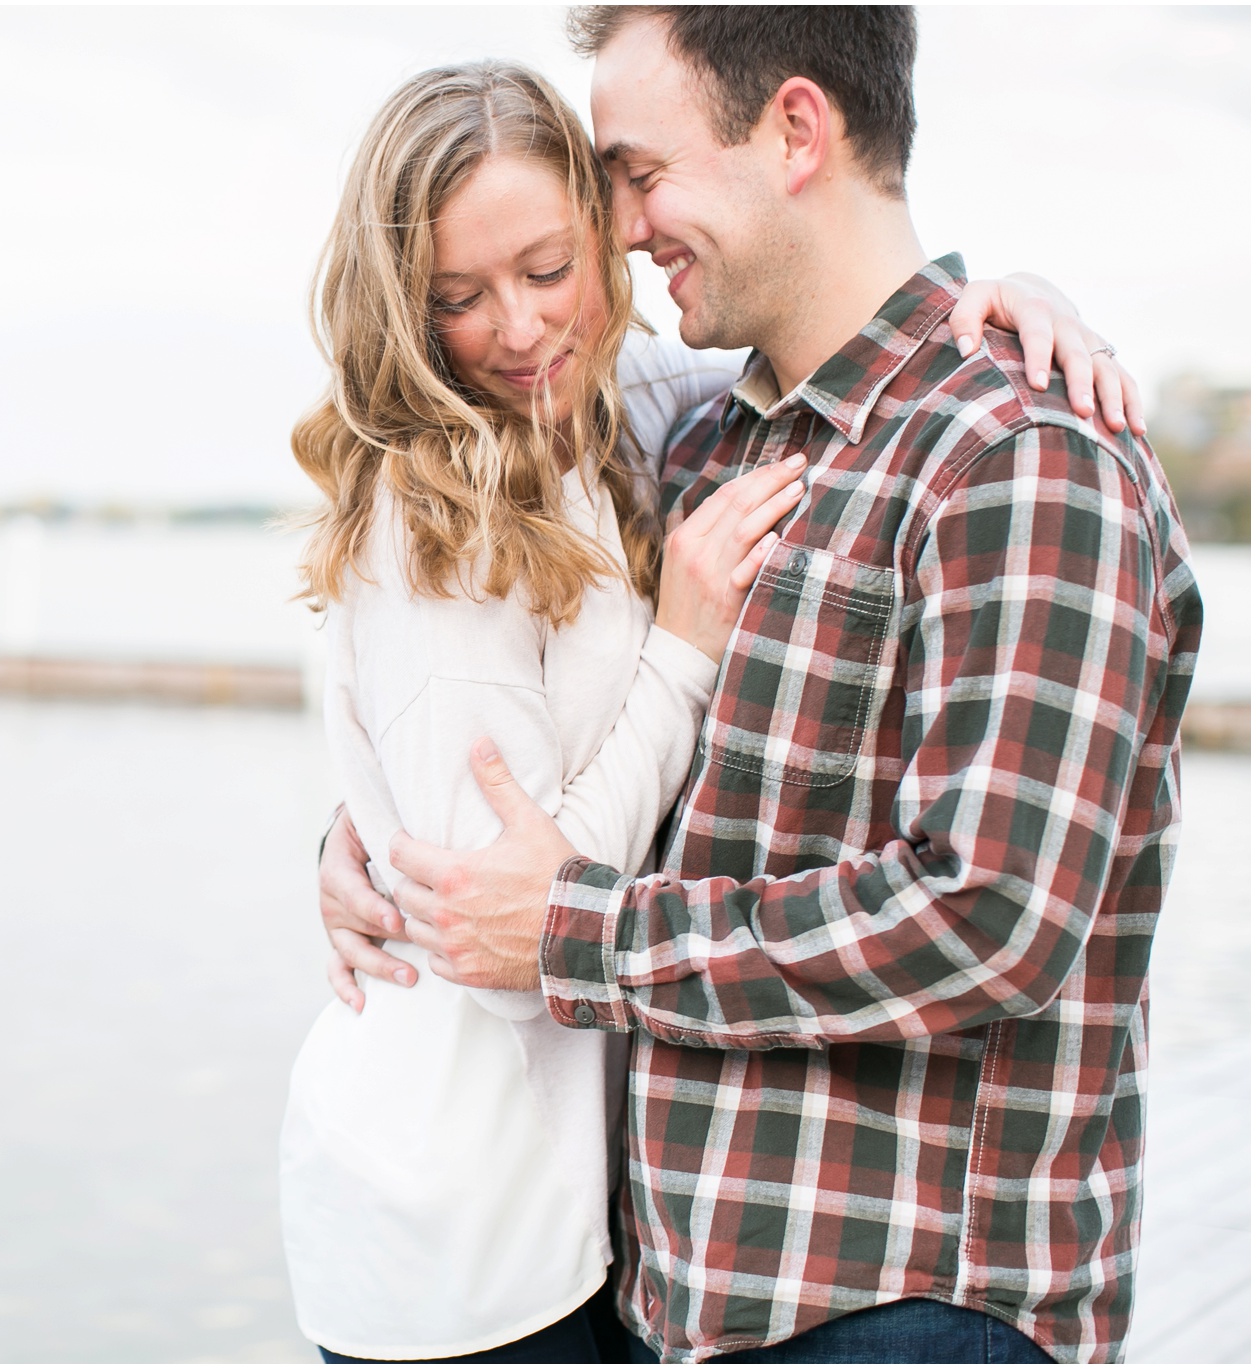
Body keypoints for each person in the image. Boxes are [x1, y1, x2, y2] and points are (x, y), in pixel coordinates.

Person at [318, 8, 1199, 1365]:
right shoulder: (698, 437)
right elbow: (475, 629)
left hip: (907, 1313)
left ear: (795, 129)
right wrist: (365, 834)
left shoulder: (1021, 453)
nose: (619, 228)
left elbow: (992, 915)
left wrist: (578, 932)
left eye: (638, 172)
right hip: (672, 1304)